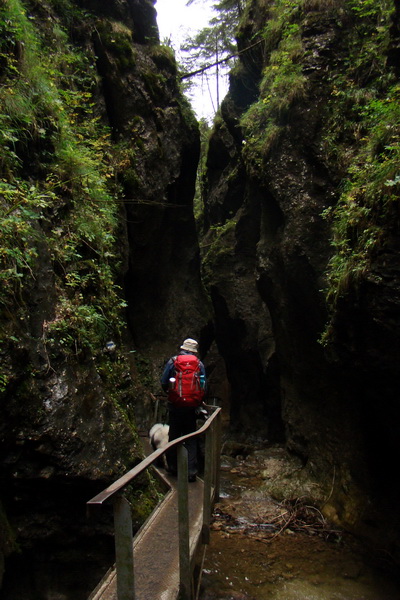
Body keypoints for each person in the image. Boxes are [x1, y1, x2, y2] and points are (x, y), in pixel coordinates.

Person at [161, 338, 206, 482]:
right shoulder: (199, 364)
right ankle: (191, 472)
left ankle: (173, 467)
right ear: (194, 351)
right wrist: (198, 400)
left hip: (175, 405)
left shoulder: (173, 361)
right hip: (191, 407)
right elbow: (203, 384)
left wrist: (170, 393)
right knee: (191, 437)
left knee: (174, 436)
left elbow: (163, 380)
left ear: (182, 349)